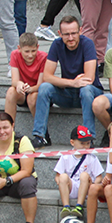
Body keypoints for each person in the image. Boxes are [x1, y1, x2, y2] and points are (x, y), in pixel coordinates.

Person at [32, 16, 104, 148]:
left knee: (86, 89)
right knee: (44, 88)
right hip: (68, 92)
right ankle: (40, 136)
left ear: (80, 31)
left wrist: (73, 83)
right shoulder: (56, 44)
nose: (70, 38)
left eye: (73, 33)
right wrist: (72, 83)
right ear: (60, 34)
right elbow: (47, 76)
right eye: (66, 34)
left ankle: (89, 137)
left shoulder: (87, 44)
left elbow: (89, 78)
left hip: (90, 93)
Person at [56, 126, 104, 223]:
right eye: (82, 143)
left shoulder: (92, 158)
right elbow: (57, 175)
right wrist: (61, 183)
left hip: (86, 188)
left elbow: (99, 177)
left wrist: (94, 184)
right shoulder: (65, 156)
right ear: (72, 143)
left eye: (88, 143)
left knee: (84, 175)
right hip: (71, 187)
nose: (86, 146)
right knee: (63, 176)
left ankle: (79, 206)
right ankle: (66, 206)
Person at [4, 32, 48, 122]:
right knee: (11, 92)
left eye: (33, 51)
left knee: (32, 98)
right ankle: (9, 127)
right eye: (27, 51)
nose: (30, 55)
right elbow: (14, 81)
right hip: (23, 92)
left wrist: (30, 89)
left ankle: (41, 131)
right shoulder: (15, 55)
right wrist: (19, 84)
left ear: (38, 47)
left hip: (37, 91)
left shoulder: (44, 57)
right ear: (19, 48)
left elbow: (41, 85)